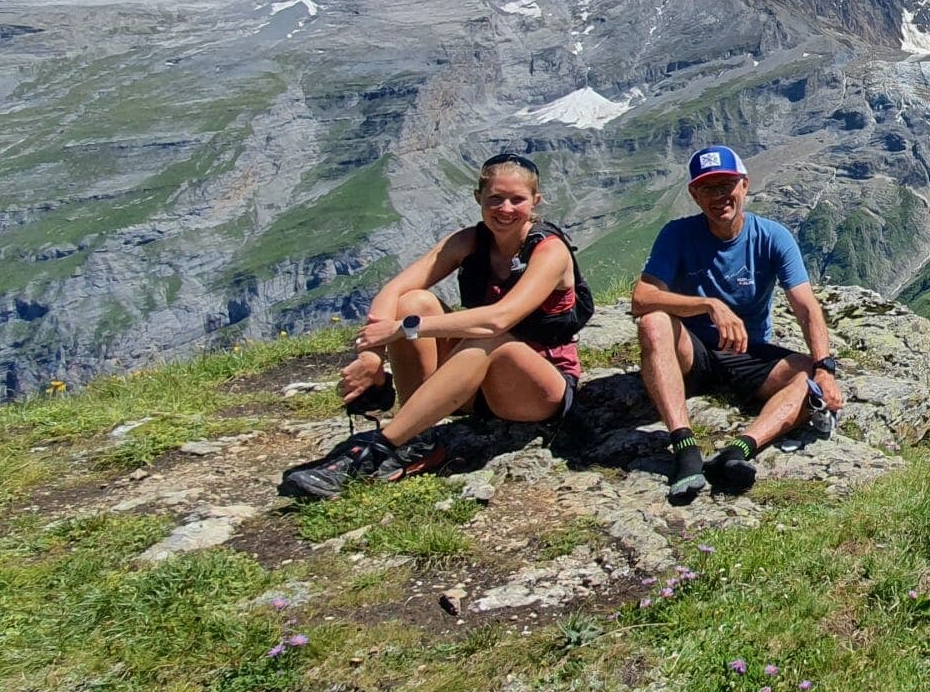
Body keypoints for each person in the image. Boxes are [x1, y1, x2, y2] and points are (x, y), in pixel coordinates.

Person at [279, 152, 589, 500]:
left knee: (490, 339)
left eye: (517, 200)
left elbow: (499, 319)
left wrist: (405, 329)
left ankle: (374, 451)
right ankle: (417, 438)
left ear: (535, 201)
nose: (505, 209)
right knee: (412, 302)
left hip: (538, 388)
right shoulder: (470, 241)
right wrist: (371, 357)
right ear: (478, 199)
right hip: (475, 383)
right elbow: (395, 290)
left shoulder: (549, 250)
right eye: (495, 198)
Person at [630, 144, 843, 501]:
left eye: (726, 185)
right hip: (692, 351)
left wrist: (825, 368)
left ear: (744, 185)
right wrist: (708, 304)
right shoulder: (677, 234)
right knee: (653, 323)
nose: (719, 197)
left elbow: (806, 307)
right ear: (694, 194)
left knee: (808, 379)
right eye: (708, 188)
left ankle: (737, 452)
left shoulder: (773, 237)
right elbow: (642, 298)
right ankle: (685, 448)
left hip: (749, 352)